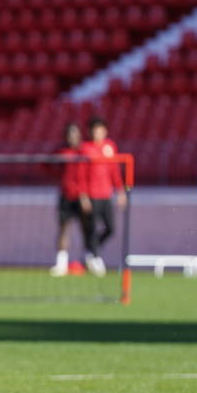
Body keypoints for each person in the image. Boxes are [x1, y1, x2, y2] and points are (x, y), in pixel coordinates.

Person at [75, 116, 126, 277]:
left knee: (110, 228)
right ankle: (95, 257)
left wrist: (120, 191)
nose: (98, 133)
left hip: (106, 194)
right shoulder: (85, 148)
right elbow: (81, 174)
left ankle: (90, 252)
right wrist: (83, 196)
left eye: (100, 130)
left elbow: (114, 171)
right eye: (95, 130)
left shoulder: (110, 147)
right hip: (91, 195)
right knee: (91, 227)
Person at [50, 121, 89, 277]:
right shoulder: (61, 152)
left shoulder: (84, 152)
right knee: (64, 228)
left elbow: (87, 176)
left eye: (75, 135)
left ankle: (88, 259)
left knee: (86, 229)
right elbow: (46, 164)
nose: (72, 138)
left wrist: (85, 195)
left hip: (82, 197)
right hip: (66, 196)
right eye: (69, 135)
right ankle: (61, 262)